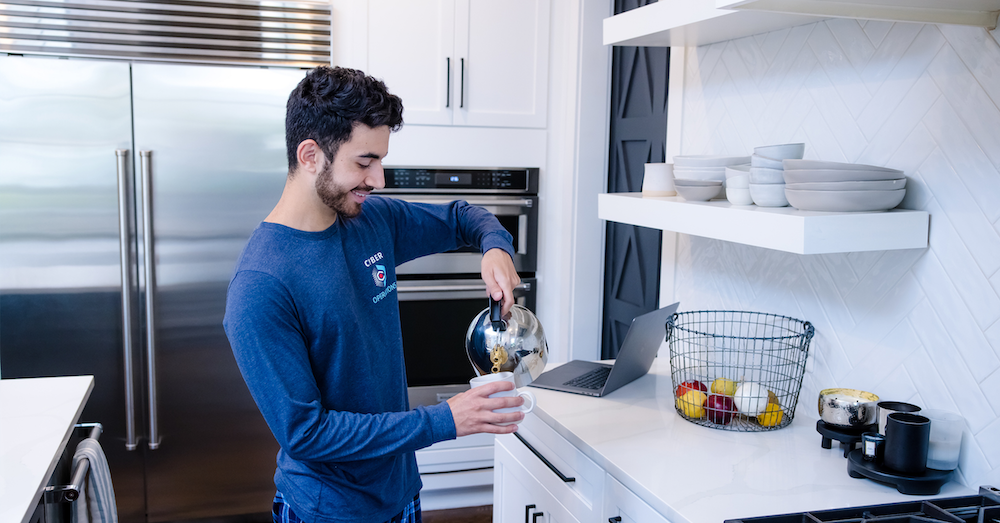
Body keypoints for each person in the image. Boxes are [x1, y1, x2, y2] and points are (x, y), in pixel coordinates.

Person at [222, 66, 527, 523]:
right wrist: (445, 419)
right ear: (310, 155)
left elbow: (465, 215)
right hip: (328, 511)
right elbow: (307, 434)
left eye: (380, 161)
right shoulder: (259, 287)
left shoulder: (372, 221)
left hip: (402, 493)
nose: (378, 179)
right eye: (364, 162)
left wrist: (496, 248)